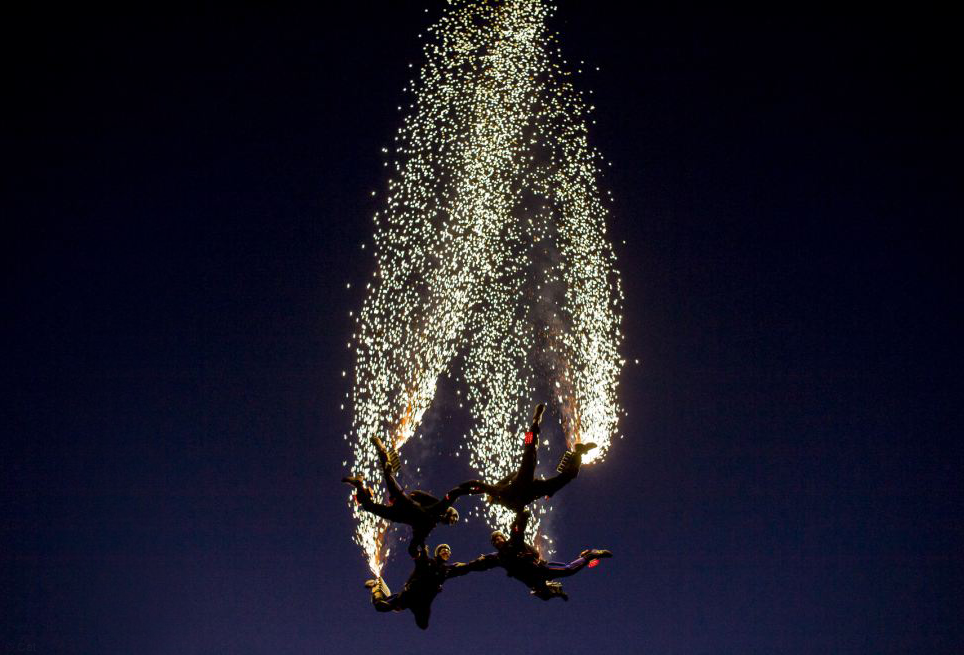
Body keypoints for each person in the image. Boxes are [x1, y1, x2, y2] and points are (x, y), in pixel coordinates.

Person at [342, 436, 478, 556]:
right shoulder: (438, 510)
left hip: (398, 512)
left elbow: (413, 545)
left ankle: (359, 484)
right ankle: (381, 451)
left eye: (452, 521)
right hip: (403, 505)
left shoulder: (428, 527)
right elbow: (455, 493)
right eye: (453, 518)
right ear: (448, 512)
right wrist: (479, 488)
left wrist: (418, 552)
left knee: (371, 503)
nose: (451, 521)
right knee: (388, 478)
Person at [462, 404, 598, 512]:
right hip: (531, 490)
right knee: (561, 475)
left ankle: (535, 422)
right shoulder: (506, 502)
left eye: (490, 499)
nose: (491, 500)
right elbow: (520, 515)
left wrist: (459, 491)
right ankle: (578, 453)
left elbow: (476, 484)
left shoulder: (497, 491)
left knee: (530, 449)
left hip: (523, 482)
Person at [482, 509, 611, 601]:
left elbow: (519, 532)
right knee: (545, 596)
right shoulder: (498, 557)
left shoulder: (514, 542)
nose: (497, 541)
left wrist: (522, 518)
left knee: (568, 570)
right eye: (495, 541)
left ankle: (591, 554)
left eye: (499, 538)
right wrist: (469, 566)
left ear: (503, 538)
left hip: (540, 570)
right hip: (533, 580)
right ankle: (557, 591)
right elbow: (479, 563)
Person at [366, 543, 492, 629]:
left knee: (423, 625)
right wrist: (420, 544)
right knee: (381, 606)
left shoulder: (447, 570)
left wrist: (479, 562)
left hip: (423, 602)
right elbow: (413, 551)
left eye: (448, 551)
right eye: (443, 550)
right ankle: (376, 586)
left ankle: (390, 598)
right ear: (437, 553)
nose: (446, 551)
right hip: (409, 595)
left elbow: (466, 567)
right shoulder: (426, 561)